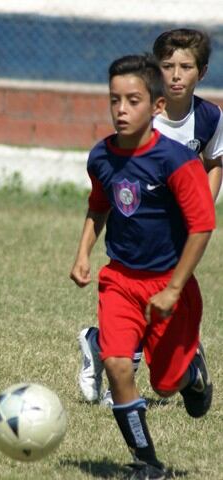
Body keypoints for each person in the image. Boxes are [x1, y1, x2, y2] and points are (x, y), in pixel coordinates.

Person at [70, 54, 215, 479]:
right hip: (119, 281)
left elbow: (202, 226)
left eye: (133, 100)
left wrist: (173, 289)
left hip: (171, 287)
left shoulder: (176, 161)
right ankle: (147, 463)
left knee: (166, 384)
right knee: (117, 365)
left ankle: (191, 372)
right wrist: (83, 253)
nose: (121, 109)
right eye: (114, 99)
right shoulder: (101, 157)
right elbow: (98, 206)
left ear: (155, 107)